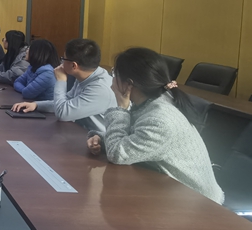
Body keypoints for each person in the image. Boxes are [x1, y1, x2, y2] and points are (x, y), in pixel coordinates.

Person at [86, 48, 224, 204]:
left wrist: (120, 108)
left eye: (114, 74)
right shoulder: (153, 101)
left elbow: (117, 154)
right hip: (168, 190)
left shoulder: (159, 119)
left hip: (197, 204)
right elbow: (135, 138)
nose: (112, 82)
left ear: (129, 84)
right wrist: (102, 139)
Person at [11, 38, 116, 132]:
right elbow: (66, 102)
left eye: (63, 59)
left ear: (74, 65)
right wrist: (36, 105)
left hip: (100, 142)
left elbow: (63, 113)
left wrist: (61, 80)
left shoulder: (100, 89)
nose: (61, 63)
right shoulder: (86, 76)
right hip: (82, 134)